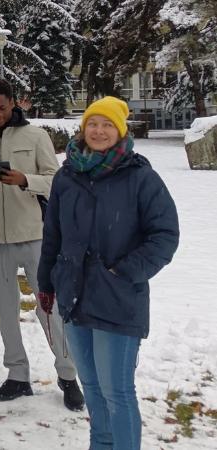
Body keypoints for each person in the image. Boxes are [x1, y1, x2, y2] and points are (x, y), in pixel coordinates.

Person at [38, 96, 179, 450]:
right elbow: (52, 234)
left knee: (117, 392)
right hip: (74, 296)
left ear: (120, 131)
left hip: (118, 297)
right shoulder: (66, 176)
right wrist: (46, 282)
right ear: (83, 129)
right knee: (93, 389)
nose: (99, 131)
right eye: (93, 124)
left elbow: (164, 235)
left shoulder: (140, 176)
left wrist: (124, 271)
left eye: (107, 125)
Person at [0, 79, 85, 411]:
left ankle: (68, 376)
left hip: (35, 236)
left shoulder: (35, 136)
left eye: (2, 106)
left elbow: (57, 181)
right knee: (7, 309)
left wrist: (26, 180)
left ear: (13, 103)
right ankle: (17, 375)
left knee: (48, 307)